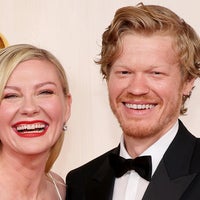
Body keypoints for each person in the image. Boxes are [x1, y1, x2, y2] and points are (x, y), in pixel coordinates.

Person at [66, 2, 200, 200]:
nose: (137, 89)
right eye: (124, 72)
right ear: (107, 76)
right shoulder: (80, 181)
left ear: (188, 81)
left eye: (156, 73)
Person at [0, 44, 71, 200]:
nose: (29, 108)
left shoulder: (64, 190)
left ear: (67, 106)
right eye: (11, 95)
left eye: (45, 92)